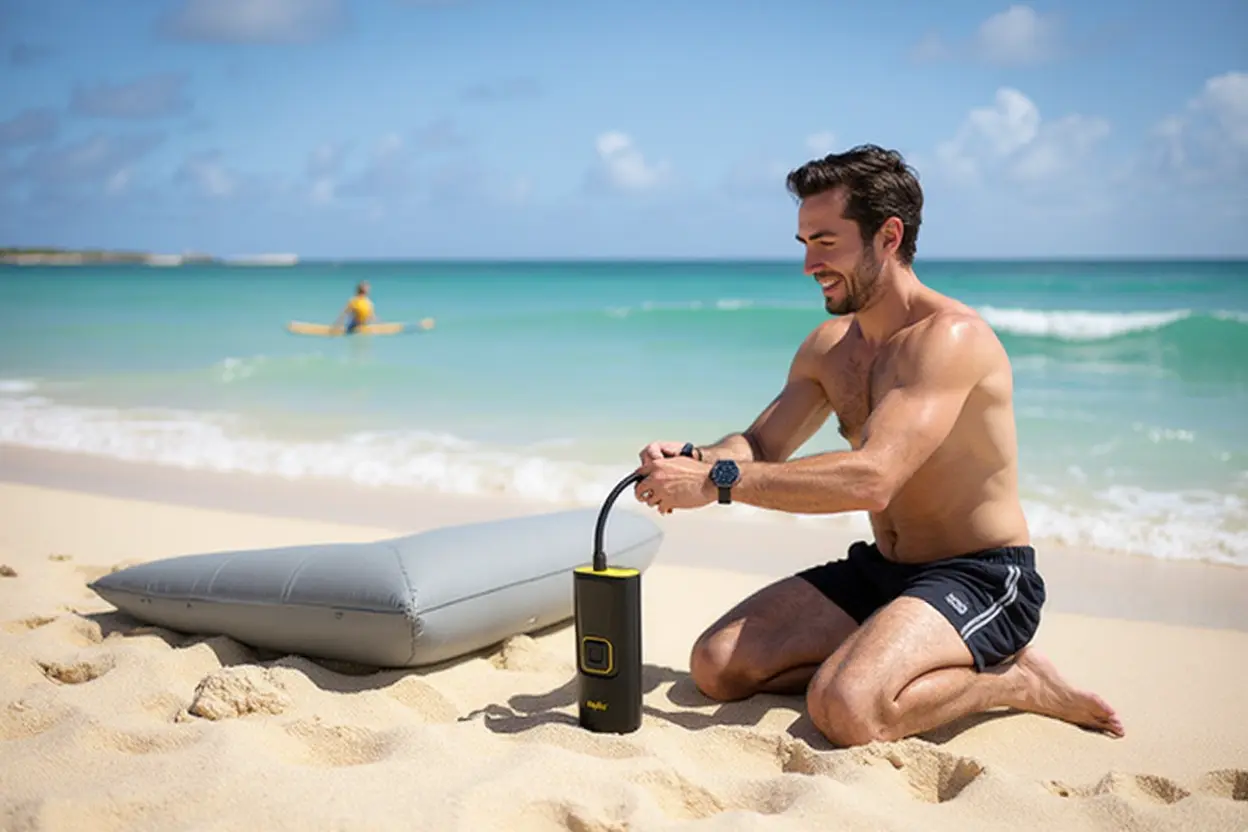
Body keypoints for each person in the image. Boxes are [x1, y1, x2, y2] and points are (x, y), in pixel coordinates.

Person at [631, 144, 1123, 747]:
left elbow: (873, 477)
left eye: (826, 242)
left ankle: (1013, 681)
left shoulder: (950, 339)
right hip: (886, 571)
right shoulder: (831, 347)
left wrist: (720, 484)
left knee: (846, 709)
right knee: (718, 664)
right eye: (804, 243)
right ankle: (887, 649)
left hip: (980, 578)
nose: (810, 263)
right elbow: (761, 443)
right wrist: (695, 460)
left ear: (888, 236)